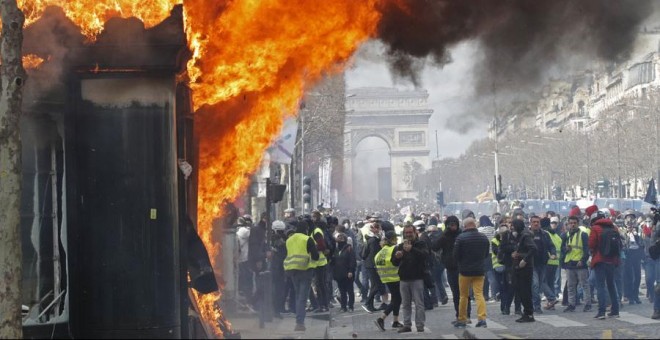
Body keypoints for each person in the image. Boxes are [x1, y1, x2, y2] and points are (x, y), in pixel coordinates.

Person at [432, 216, 471, 323]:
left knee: (464, 293)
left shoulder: (462, 234)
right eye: (451, 224)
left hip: (462, 267)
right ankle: (459, 315)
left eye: (454, 224)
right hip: (451, 268)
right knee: (456, 294)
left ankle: (467, 315)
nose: (453, 226)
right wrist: (444, 233)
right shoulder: (445, 236)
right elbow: (434, 246)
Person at [453, 217, 490, 329]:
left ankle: (462, 319)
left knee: (463, 296)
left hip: (464, 271)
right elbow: (486, 254)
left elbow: (455, 255)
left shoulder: (460, 238)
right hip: (479, 270)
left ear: (465, 226)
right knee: (479, 295)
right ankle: (482, 319)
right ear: (474, 225)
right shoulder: (483, 238)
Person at [392, 224, 429, 333]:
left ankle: (420, 325)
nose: (408, 234)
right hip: (404, 279)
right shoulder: (400, 246)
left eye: (410, 232)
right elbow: (394, 263)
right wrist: (396, 257)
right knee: (406, 304)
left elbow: (425, 255)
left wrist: (412, 249)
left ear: (415, 233)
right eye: (406, 233)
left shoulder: (421, 244)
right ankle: (407, 325)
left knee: (419, 303)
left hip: (417, 278)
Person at [284, 221, 320, 332]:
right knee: (302, 297)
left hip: (292, 271)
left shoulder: (289, 239)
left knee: (297, 295)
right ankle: (299, 323)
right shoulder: (307, 239)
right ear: (306, 228)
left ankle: (298, 319)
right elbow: (315, 256)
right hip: (305, 270)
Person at [588, 210, 621, 319]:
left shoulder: (595, 228)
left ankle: (601, 312)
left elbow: (591, 244)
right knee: (611, 285)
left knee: (600, 286)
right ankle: (615, 310)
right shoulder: (613, 228)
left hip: (599, 260)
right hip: (612, 260)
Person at [374, 231, 404, 331]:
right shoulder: (393, 249)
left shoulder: (379, 253)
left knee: (396, 299)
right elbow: (398, 261)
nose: (396, 240)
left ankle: (395, 321)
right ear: (391, 239)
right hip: (395, 277)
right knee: (397, 299)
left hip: (386, 278)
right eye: (395, 238)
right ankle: (381, 318)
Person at [529, 215, 557, 314]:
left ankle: (547, 300)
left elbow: (551, 246)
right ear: (530, 223)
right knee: (535, 285)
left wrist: (553, 254)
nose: (536, 223)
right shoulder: (526, 234)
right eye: (534, 222)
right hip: (531, 264)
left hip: (543, 263)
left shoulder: (545, 234)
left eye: (537, 222)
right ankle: (536, 306)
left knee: (540, 284)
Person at [511, 219, 537, 322]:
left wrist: (524, 259)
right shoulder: (521, 235)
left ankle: (528, 313)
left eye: (513, 225)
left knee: (525, 291)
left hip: (525, 267)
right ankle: (527, 313)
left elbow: (533, 248)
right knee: (522, 291)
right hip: (520, 267)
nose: (511, 228)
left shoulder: (525, 236)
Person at [362, 222, 387, 313]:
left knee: (374, 285)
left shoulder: (372, 239)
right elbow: (374, 254)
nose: (380, 230)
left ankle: (370, 306)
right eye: (378, 228)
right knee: (376, 285)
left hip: (370, 265)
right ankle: (368, 302)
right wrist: (376, 265)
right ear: (373, 229)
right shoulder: (373, 240)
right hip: (373, 265)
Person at [332, 232, 356, 313]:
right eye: (338, 237)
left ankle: (351, 306)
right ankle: (343, 306)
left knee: (350, 290)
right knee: (342, 291)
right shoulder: (336, 249)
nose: (339, 239)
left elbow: (352, 261)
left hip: (348, 273)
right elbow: (334, 262)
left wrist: (350, 271)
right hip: (339, 274)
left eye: (341, 237)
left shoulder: (349, 248)